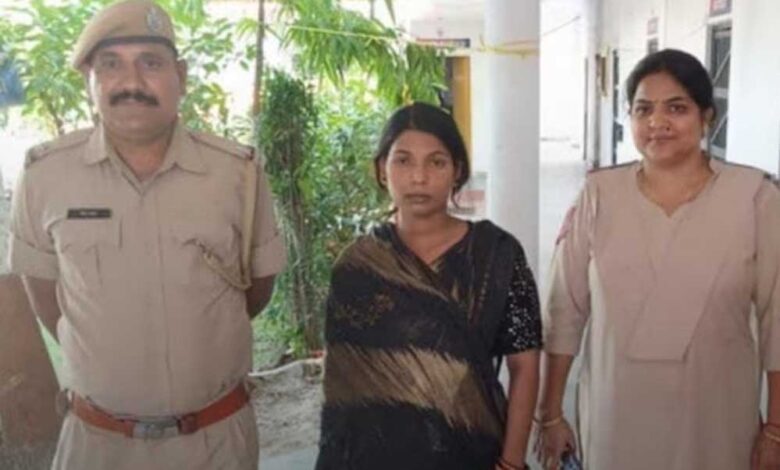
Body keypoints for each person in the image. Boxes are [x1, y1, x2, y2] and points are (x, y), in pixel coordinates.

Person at [6, 1, 286, 468]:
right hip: (97, 445)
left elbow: (256, 291)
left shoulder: (237, 174)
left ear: (181, 76)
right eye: (110, 65)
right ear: (89, 80)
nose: (130, 82)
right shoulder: (45, 176)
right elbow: (46, 296)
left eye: (150, 63)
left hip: (215, 443)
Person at [535, 48, 780, 470]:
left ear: (707, 117)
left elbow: (778, 320)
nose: (657, 122)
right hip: (617, 413)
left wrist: (775, 429)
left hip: (716, 415)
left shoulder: (754, 197)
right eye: (643, 109)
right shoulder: (599, 195)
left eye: (677, 108)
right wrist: (550, 412)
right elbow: (564, 310)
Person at [314, 101, 542, 470]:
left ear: (457, 171)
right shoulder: (356, 268)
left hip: (473, 451)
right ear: (382, 169)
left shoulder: (497, 255)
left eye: (436, 162)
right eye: (403, 161)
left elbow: (525, 364)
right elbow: (344, 390)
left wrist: (512, 462)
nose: (419, 177)